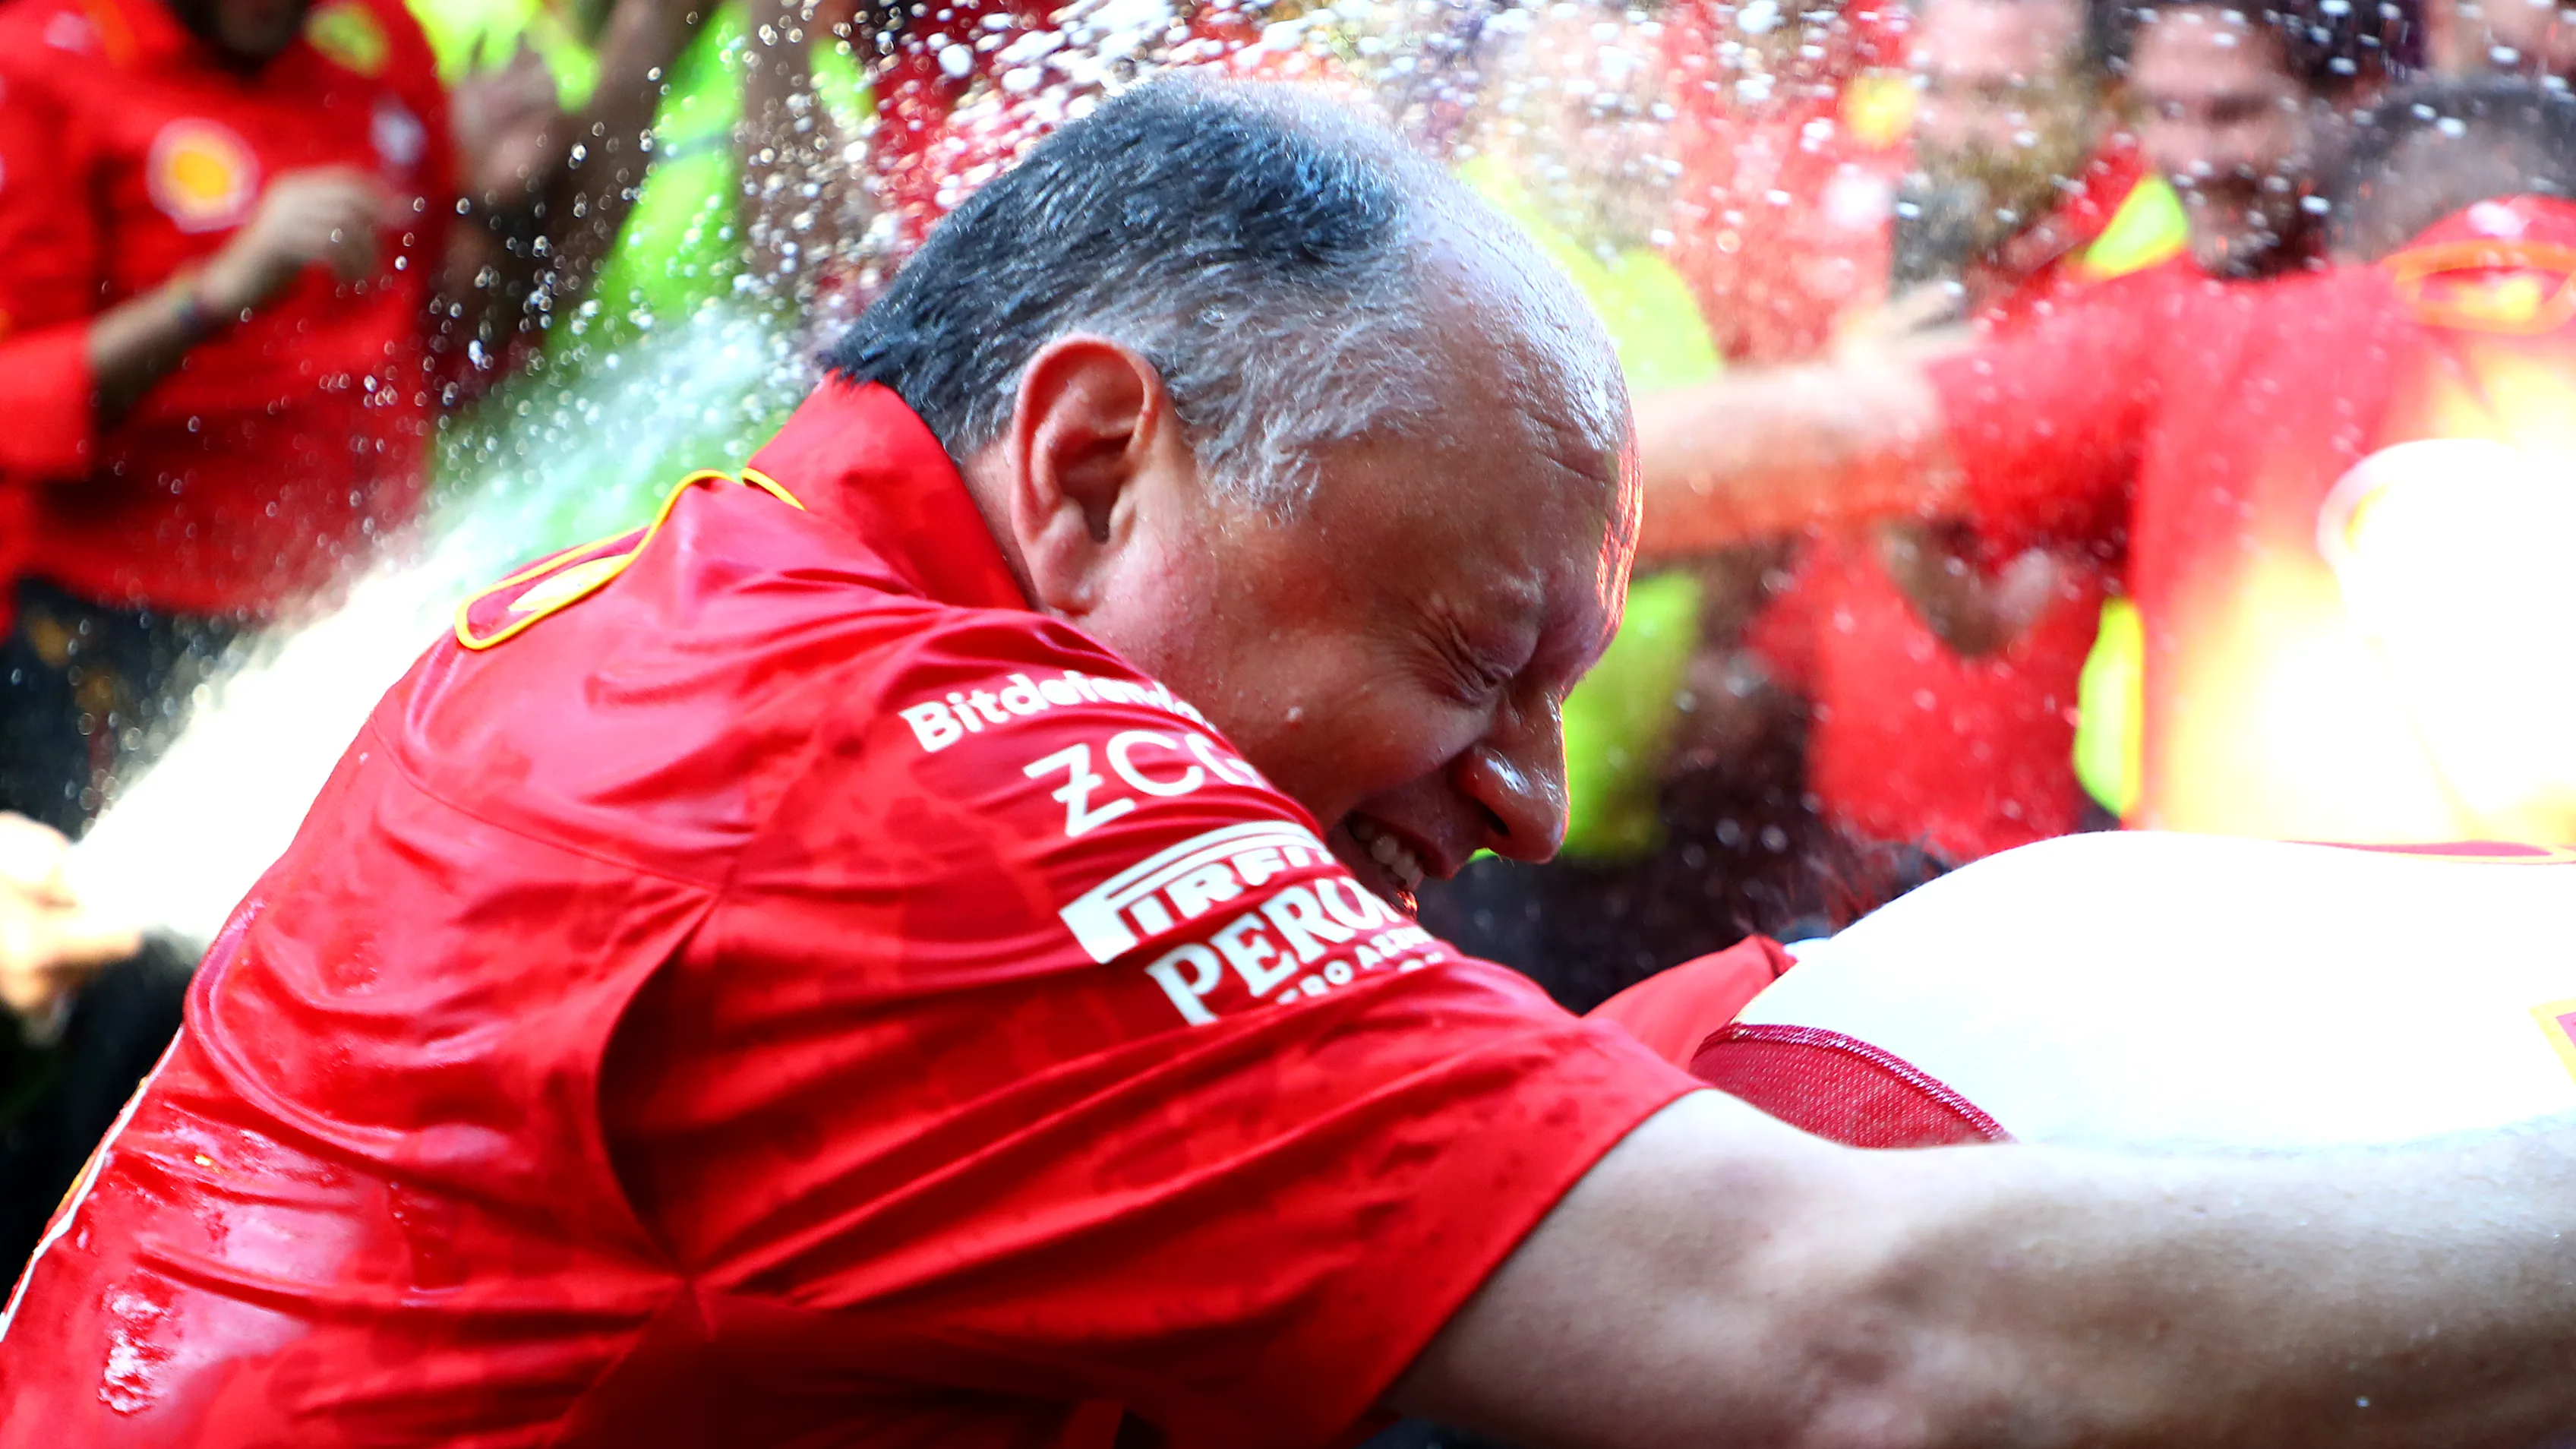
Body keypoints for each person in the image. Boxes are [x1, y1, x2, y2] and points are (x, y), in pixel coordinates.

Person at [18, 77, 2576, 1448]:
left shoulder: (704, 608)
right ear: (1091, 462)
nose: (1527, 795)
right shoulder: (919, 775)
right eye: (1475, 651)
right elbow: (1862, 1354)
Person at [1639, 75, 2576, 843]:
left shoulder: (2221, 339)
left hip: (2264, 967)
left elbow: (1830, 442)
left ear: (2347, 234)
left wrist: (1544, 477)